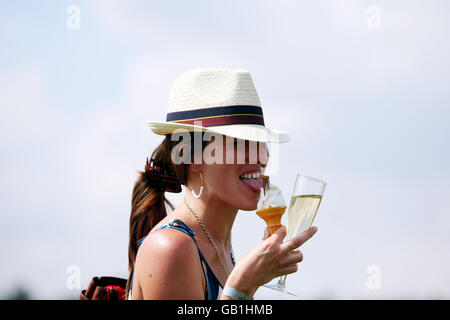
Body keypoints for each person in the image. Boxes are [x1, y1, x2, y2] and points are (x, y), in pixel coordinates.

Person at [126, 69, 318, 300]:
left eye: (261, 142)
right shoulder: (171, 248)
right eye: (239, 143)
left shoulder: (220, 248)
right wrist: (242, 288)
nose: (262, 157)